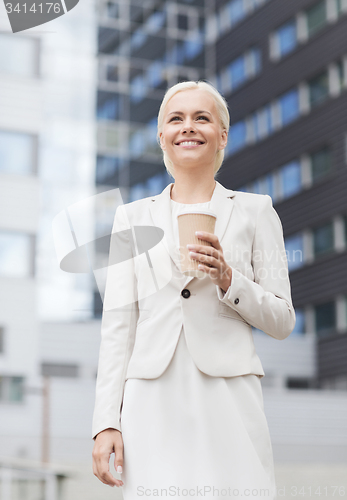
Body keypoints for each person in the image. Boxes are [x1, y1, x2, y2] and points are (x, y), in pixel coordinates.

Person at [92, 80, 296, 499]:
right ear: (161, 136)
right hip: (150, 398)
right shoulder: (130, 220)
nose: (188, 127)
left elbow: (282, 320)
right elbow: (117, 327)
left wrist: (228, 278)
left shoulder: (257, 211)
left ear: (222, 135)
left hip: (228, 396)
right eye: (176, 118)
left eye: (202, 117)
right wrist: (105, 422)